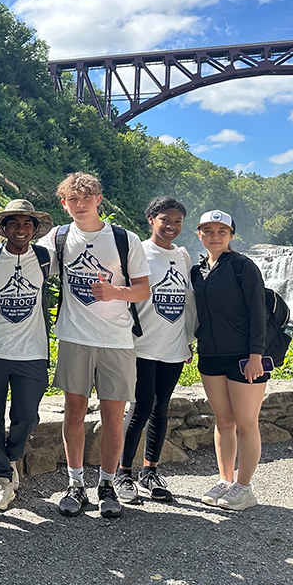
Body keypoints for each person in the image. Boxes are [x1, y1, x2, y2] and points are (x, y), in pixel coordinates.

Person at [38, 172, 150, 519]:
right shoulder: (57, 238)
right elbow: (23, 255)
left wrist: (116, 292)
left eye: (87, 197)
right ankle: (75, 484)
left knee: (113, 418)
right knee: (73, 412)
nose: (80, 204)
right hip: (75, 337)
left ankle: (106, 484)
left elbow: (143, 290)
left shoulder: (123, 239)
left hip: (117, 340)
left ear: (99, 199)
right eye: (73, 199)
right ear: (64, 204)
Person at [0, 199, 54, 512]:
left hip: (32, 350)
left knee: (27, 413)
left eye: (27, 224)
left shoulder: (46, 257)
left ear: (34, 229)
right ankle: (3, 476)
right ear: (4, 228)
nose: (21, 229)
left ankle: (12, 457)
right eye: (14, 223)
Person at [114, 197, 196, 504]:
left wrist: (188, 339)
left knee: (161, 408)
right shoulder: (139, 252)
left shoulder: (183, 256)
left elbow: (188, 302)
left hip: (173, 345)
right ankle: (122, 473)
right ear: (151, 219)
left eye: (178, 222)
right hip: (142, 344)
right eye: (165, 220)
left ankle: (150, 471)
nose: (172, 226)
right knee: (141, 407)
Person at [191, 209, 269, 511]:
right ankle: (225, 480)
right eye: (208, 230)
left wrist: (255, 356)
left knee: (246, 423)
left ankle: (245, 487)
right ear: (199, 234)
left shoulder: (242, 267)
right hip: (210, 355)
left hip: (243, 357)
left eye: (221, 231)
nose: (214, 236)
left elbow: (257, 312)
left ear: (231, 236)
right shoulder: (197, 271)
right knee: (223, 421)